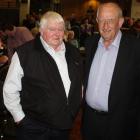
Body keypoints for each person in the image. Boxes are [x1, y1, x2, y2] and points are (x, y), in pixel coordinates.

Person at [3, 11, 82, 140]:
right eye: (52, 29)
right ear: (41, 30)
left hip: (64, 125)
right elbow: (10, 89)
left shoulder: (73, 52)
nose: (57, 33)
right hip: (34, 127)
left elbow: (79, 83)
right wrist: (19, 118)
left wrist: (73, 110)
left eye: (61, 29)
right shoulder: (25, 53)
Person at [81, 2, 140, 140]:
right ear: (96, 21)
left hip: (120, 124)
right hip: (90, 121)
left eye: (110, 20)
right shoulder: (90, 43)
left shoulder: (135, 48)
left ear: (120, 22)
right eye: (102, 20)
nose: (105, 26)